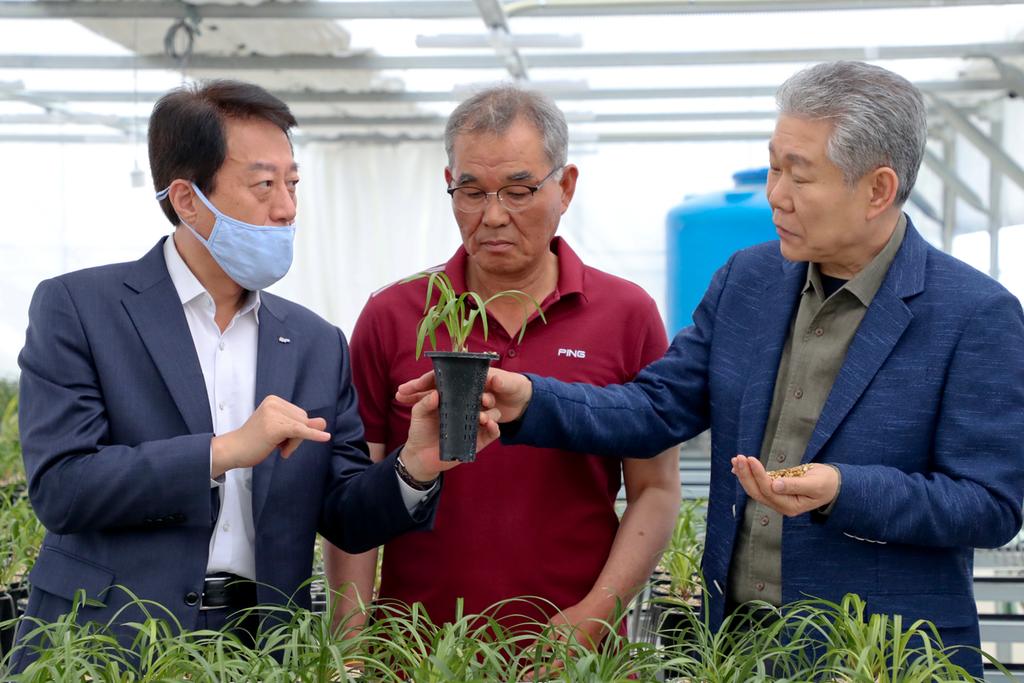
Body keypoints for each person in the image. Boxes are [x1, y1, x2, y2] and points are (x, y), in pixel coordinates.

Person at [400, 61, 1024, 677]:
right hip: (739, 650)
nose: (775, 193)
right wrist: (531, 399)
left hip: (883, 659)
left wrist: (844, 490)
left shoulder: (973, 314)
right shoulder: (749, 282)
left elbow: (992, 504)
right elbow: (654, 409)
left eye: (798, 176)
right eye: (774, 165)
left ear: (878, 190)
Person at [13, 80, 498, 669]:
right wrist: (223, 451)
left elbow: (344, 513)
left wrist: (415, 465)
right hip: (108, 640)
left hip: (260, 646)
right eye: (264, 184)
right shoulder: (82, 308)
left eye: (293, 183)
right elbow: (64, 488)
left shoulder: (315, 342)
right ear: (188, 200)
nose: (287, 208)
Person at [325, 85, 680, 645]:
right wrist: (347, 644)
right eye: (470, 191)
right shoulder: (393, 313)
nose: (492, 216)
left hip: (574, 655)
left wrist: (595, 615)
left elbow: (655, 488)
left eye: (518, 191)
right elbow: (352, 496)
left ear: (565, 187)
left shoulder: (626, 314)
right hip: (416, 652)